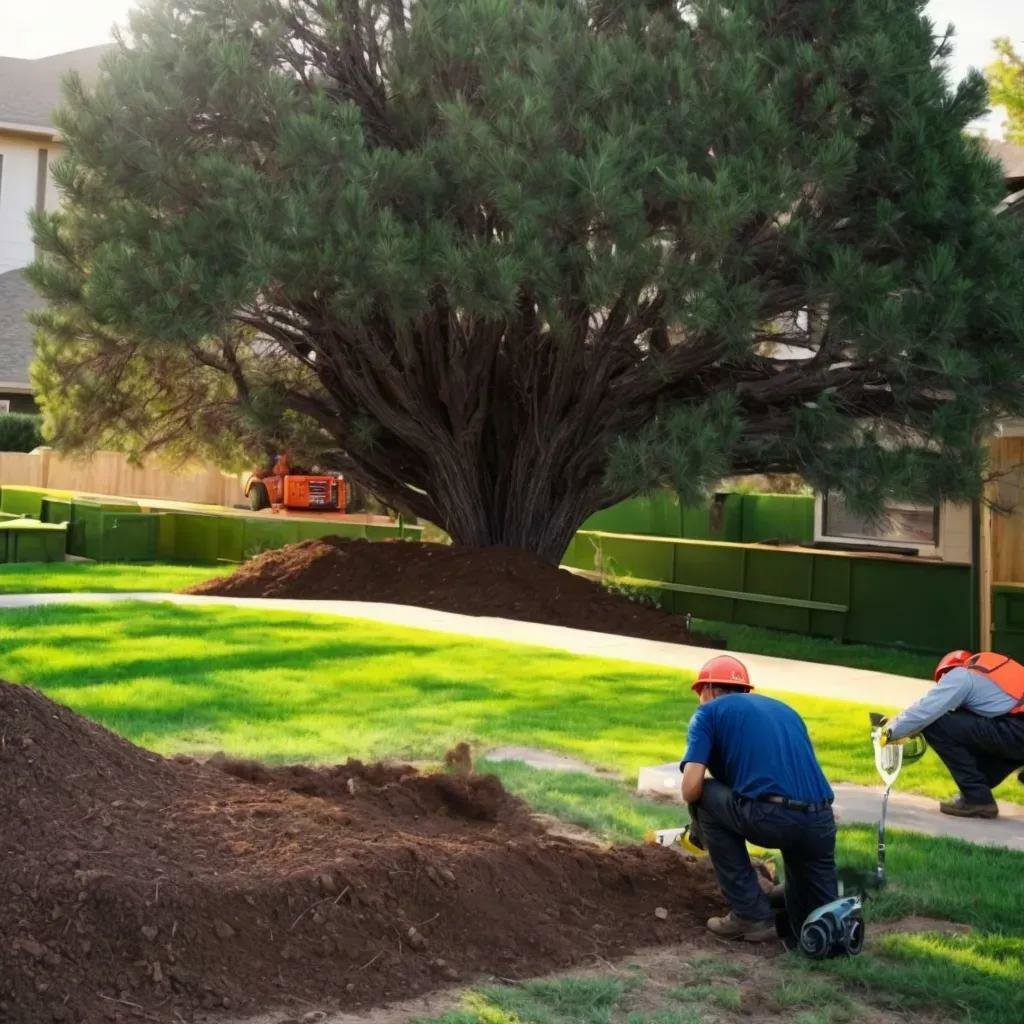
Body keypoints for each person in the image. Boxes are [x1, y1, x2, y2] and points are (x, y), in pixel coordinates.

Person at [680, 655, 837, 943]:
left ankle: (751, 914)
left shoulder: (708, 713)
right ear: (745, 690)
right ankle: (794, 901)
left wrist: (699, 830)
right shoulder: (786, 710)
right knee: (821, 925)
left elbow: (690, 787)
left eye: (700, 693)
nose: (700, 700)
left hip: (772, 819)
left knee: (704, 797)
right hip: (821, 821)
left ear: (710, 689)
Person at [882, 649, 1024, 819]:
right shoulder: (995, 673)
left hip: (1016, 730)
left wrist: (888, 733)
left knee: (936, 724)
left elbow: (925, 711)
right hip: (1015, 730)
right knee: (969, 728)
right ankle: (978, 789)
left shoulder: (961, 675)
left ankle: (977, 799)